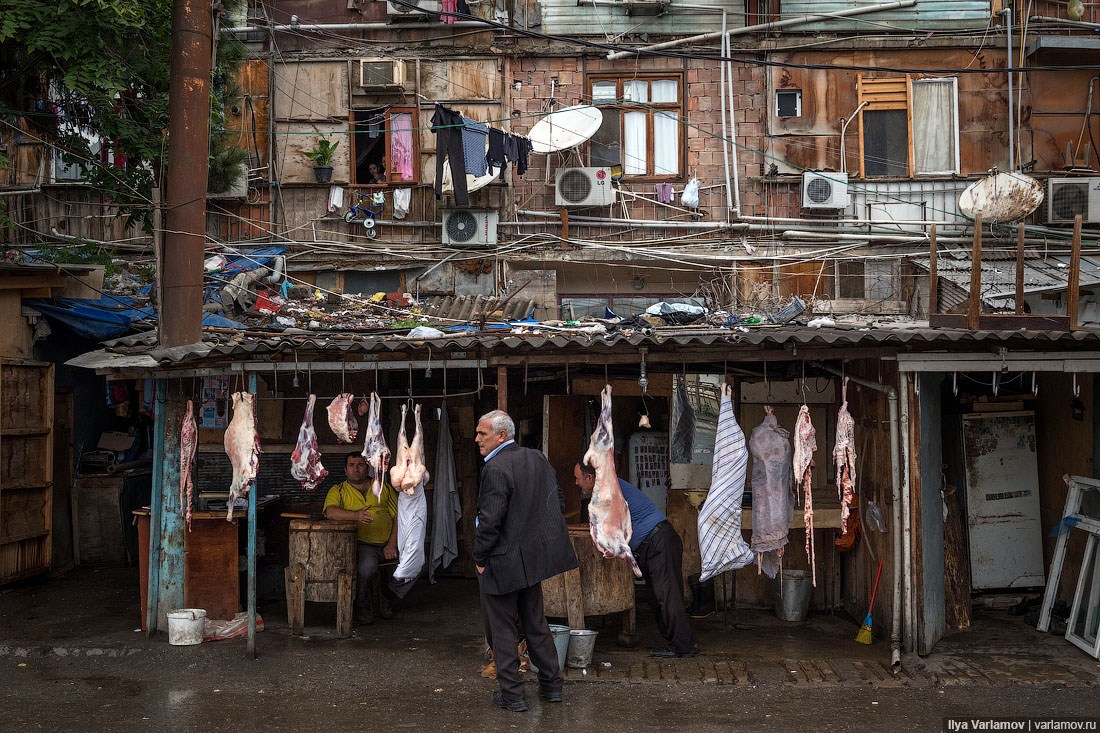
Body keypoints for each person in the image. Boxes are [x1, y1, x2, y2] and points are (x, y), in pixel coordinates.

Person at [474, 410, 578, 713]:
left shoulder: (495, 467)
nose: (477, 438)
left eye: (483, 433)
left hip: (502, 560)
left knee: (502, 629)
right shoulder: (537, 458)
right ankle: (552, 686)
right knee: (536, 623)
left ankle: (512, 694)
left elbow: (489, 521)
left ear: (501, 436)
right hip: (532, 559)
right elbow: (555, 501)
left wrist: (480, 557)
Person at [574, 460, 699, 659]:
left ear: (589, 478)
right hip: (654, 545)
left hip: (659, 541)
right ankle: (681, 642)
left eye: (577, 479)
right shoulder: (606, 489)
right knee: (657, 596)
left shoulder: (608, 490)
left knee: (667, 596)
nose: (576, 483)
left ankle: (682, 646)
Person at [323, 452, 399, 624]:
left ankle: (386, 597)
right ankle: (362, 605)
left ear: (368, 469)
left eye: (360, 465)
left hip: (389, 543)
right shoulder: (339, 490)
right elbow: (330, 512)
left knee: (414, 564)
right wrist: (356, 515)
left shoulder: (383, 488)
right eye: (352, 465)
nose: (356, 469)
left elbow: (398, 516)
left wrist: (392, 544)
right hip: (363, 545)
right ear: (345, 470)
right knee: (366, 569)